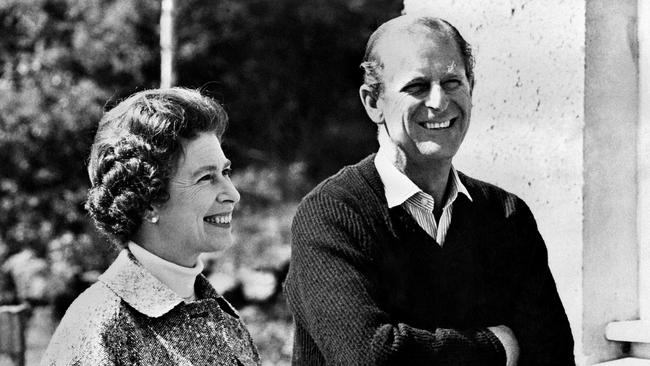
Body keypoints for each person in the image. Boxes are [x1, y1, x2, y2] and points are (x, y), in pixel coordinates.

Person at [283, 15, 575, 366]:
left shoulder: (506, 216)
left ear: (472, 87)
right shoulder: (332, 216)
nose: (439, 102)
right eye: (417, 87)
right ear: (373, 102)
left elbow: (551, 355)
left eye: (453, 82)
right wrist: (498, 346)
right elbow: (370, 357)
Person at [41, 88, 260, 365]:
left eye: (225, 172)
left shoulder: (218, 313)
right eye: (206, 178)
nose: (233, 194)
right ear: (148, 202)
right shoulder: (99, 328)